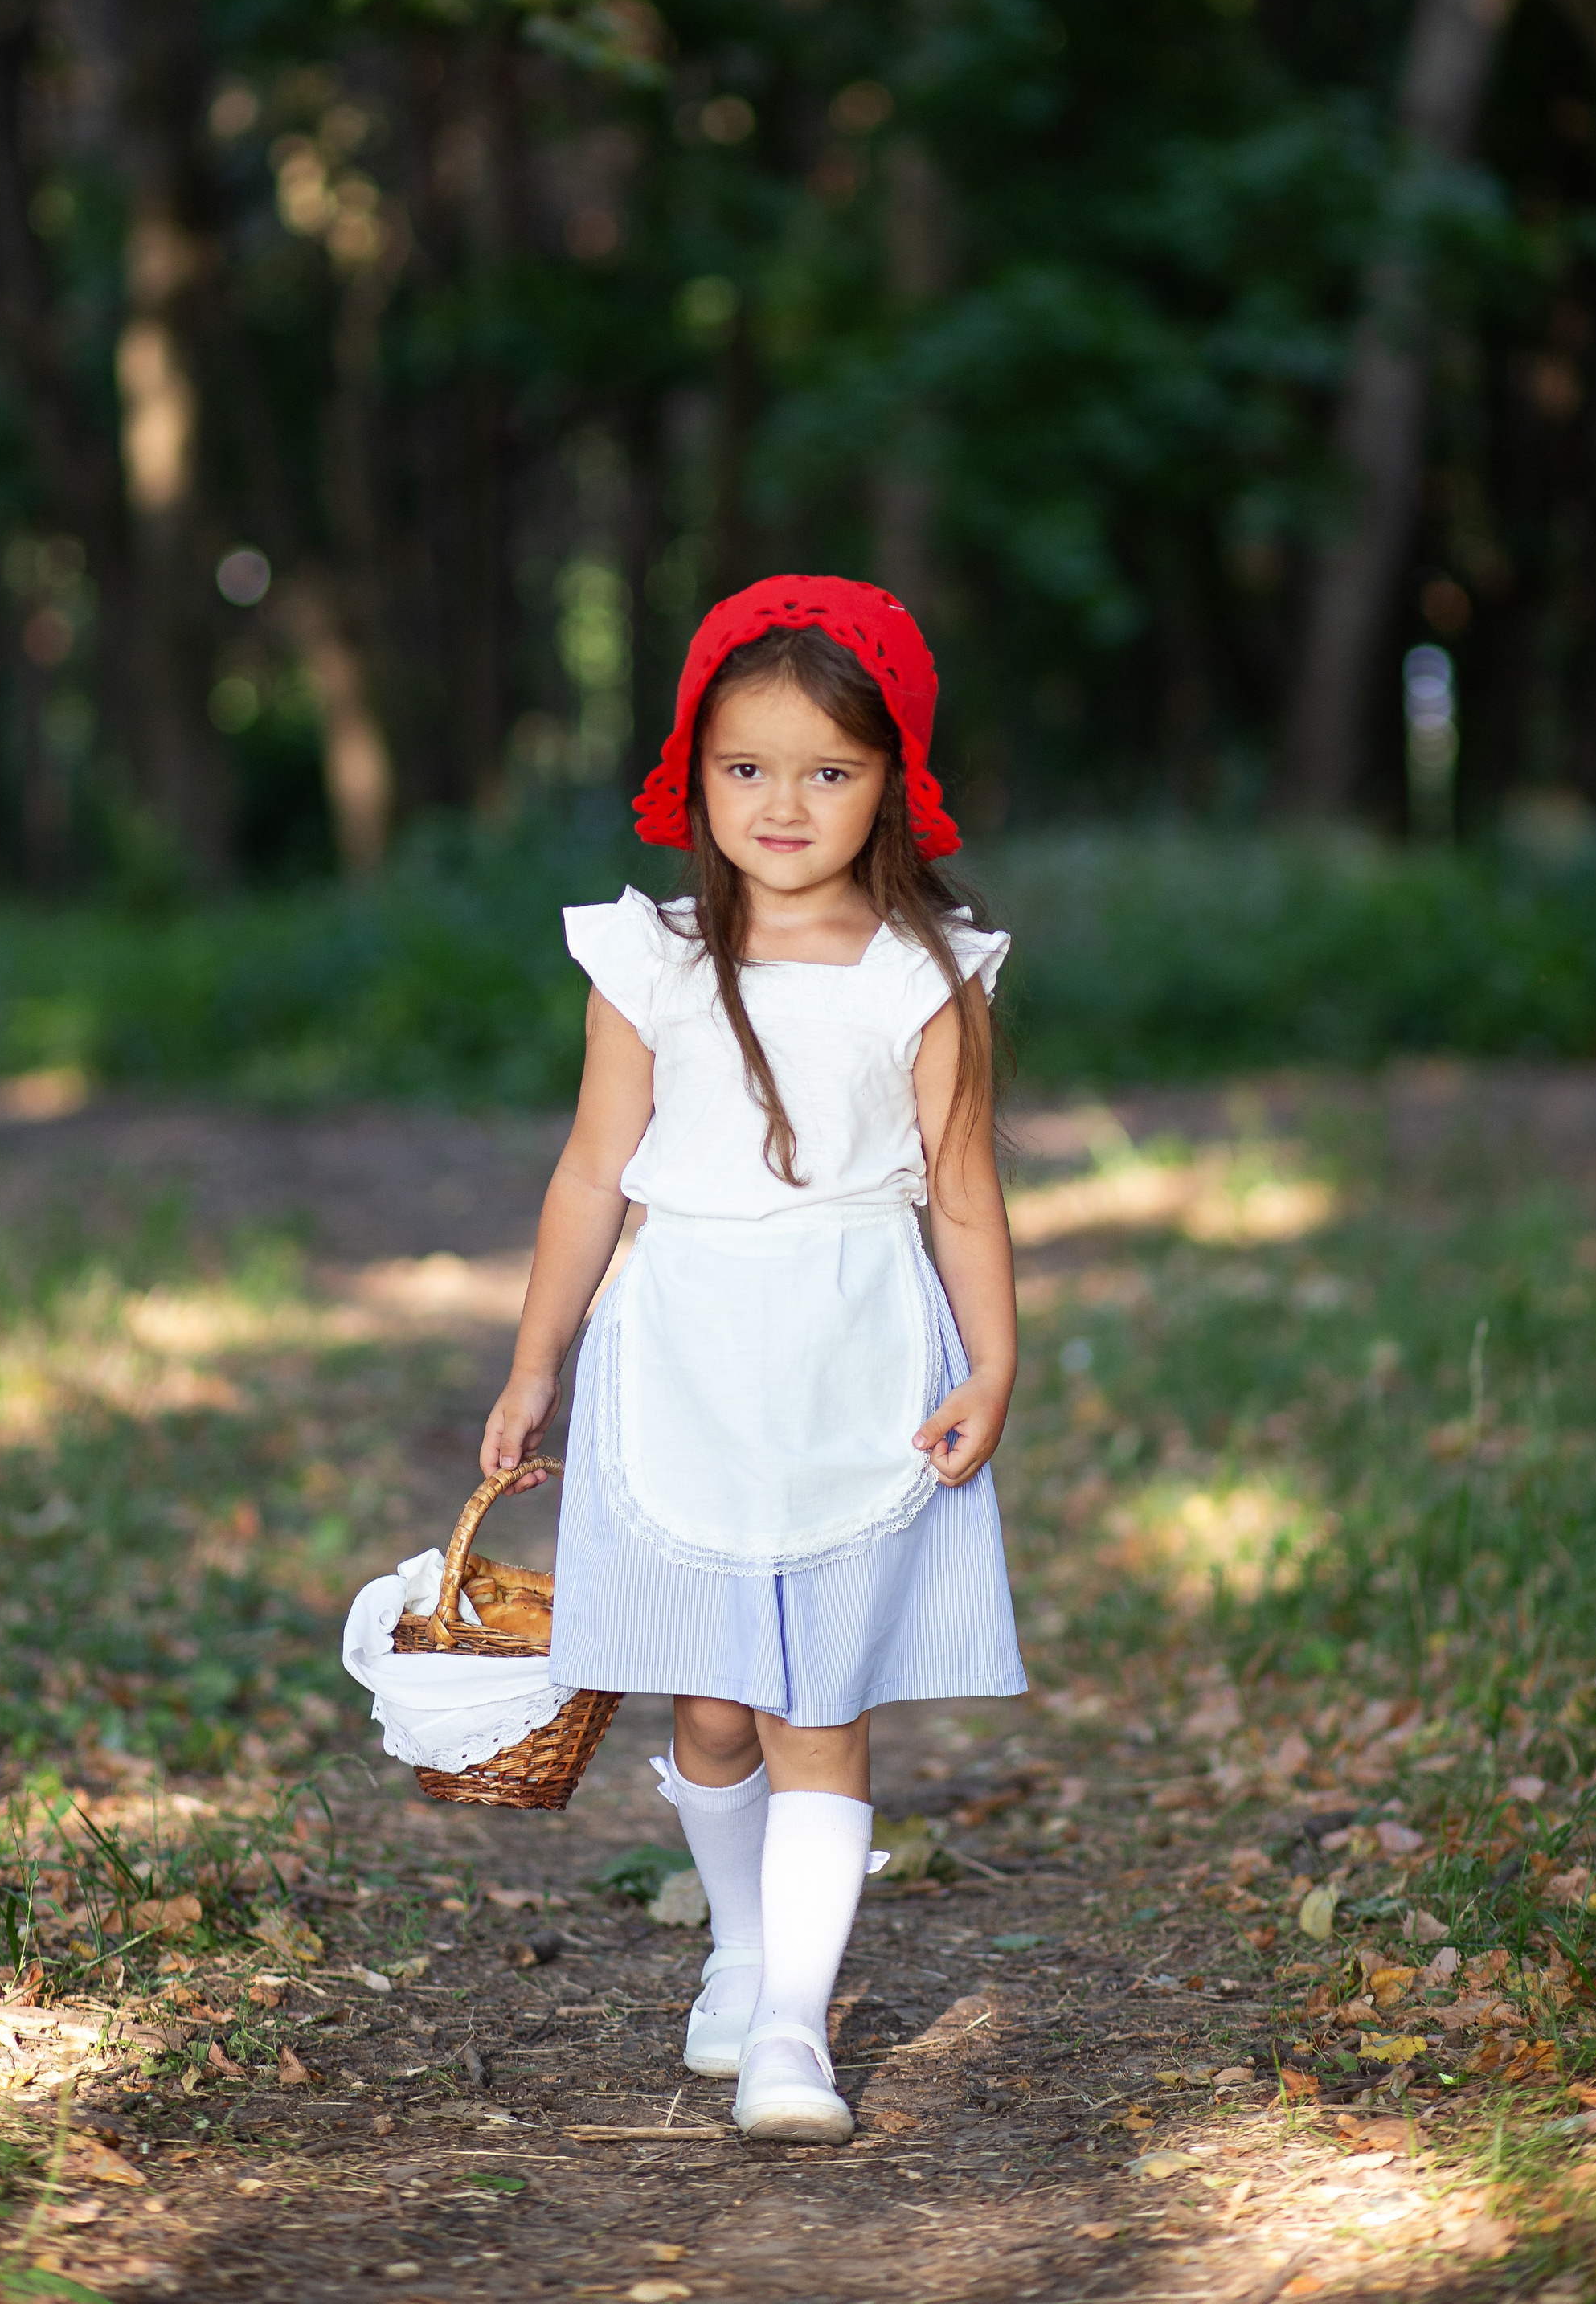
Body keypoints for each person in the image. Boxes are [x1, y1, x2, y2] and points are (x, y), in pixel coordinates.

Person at [480, 574, 1025, 2144]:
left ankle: (793, 2027)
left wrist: (992, 1364)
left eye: (827, 770)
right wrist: (535, 1361)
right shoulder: (648, 960)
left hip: (856, 1360)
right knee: (715, 1712)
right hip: (686, 1362)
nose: (783, 804)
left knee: (821, 1712)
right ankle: (737, 1945)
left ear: (891, 785)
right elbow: (592, 1171)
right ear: (694, 773)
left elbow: (963, 1190)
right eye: (746, 767)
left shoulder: (924, 975)